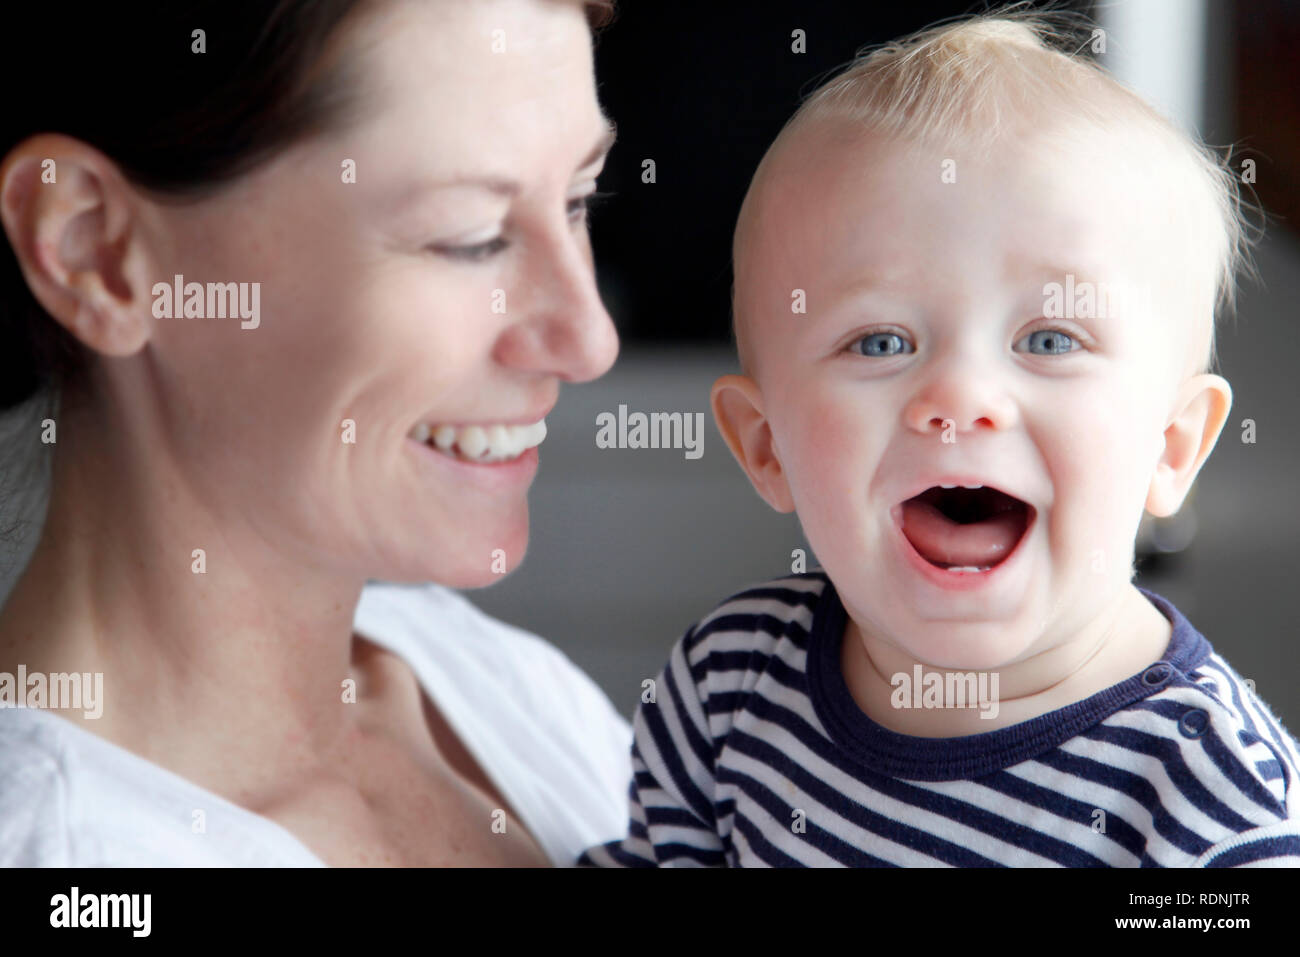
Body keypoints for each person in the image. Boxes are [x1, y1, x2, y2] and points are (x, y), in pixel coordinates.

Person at [580, 9, 1300, 867]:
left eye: (1049, 339)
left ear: (1172, 447)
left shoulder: (1211, 798)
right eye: (881, 342)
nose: (958, 398)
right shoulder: (729, 688)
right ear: (765, 445)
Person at [0, 0, 630, 866]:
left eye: (577, 199)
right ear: (94, 252)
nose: (590, 338)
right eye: (470, 238)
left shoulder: (507, 686)